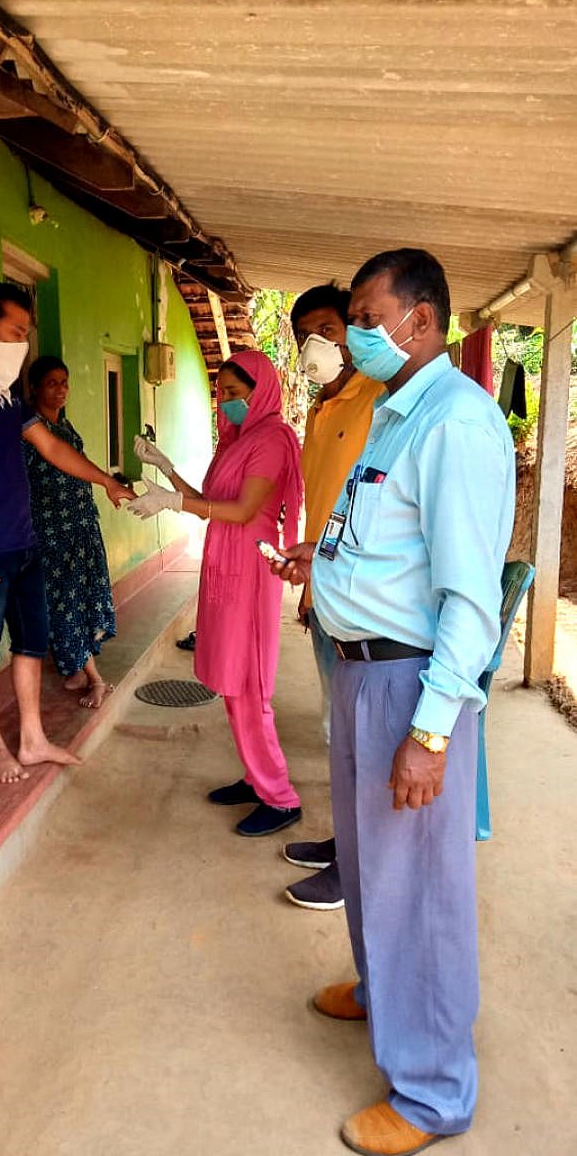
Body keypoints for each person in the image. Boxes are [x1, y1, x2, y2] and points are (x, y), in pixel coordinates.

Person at [276, 250, 515, 1155]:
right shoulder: (391, 412)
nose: (356, 335)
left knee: (421, 888)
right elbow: (387, 542)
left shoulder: (456, 424)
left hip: (411, 683)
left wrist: (431, 732)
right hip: (358, 670)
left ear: (422, 320)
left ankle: (432, 1091)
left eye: (368, 317)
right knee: (376, 865)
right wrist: (321, 563)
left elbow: (468, 601)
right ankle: (384, 995)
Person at [0, 281, 133, 785]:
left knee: (32, 643)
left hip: (25, 542)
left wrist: (107, 480)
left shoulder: (6, 393)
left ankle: (33, 739)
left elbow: (53, 449)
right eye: (16, 331)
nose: (21, 343)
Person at [130, 349, 303, 837]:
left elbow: (245, 510)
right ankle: (256, 776)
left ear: (260, 388)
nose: (223, 402)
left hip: (251, 567)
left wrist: (172, 500)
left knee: (250, 685)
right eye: (220, 393)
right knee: (231, 679)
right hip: (226, 565)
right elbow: (208, 501)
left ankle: (281, 797)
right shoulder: (236, 441)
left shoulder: (271, 439)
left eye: (233, 393)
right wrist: (165, 468)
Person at [281, 283, 382, 911]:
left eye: (328, 327)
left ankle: (358, 868)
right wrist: (311, 578)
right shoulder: (322, 407)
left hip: (367, 604)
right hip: (326, 592)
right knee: (338, 733)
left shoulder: (380, 397)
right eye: (305, 336)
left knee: (363, 739)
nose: (318, 343)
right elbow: (325, 502)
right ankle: (346, 839)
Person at [24, 355, 117, 708]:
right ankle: (94, 679)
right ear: (34, 388)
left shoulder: (66, 427)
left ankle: (78, 668)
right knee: (65, 604)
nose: (61, 389)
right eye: (52, 383)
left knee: (85, 599)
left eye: (64, 382)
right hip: (52, 533)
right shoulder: (28, 432)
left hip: (81, 527)